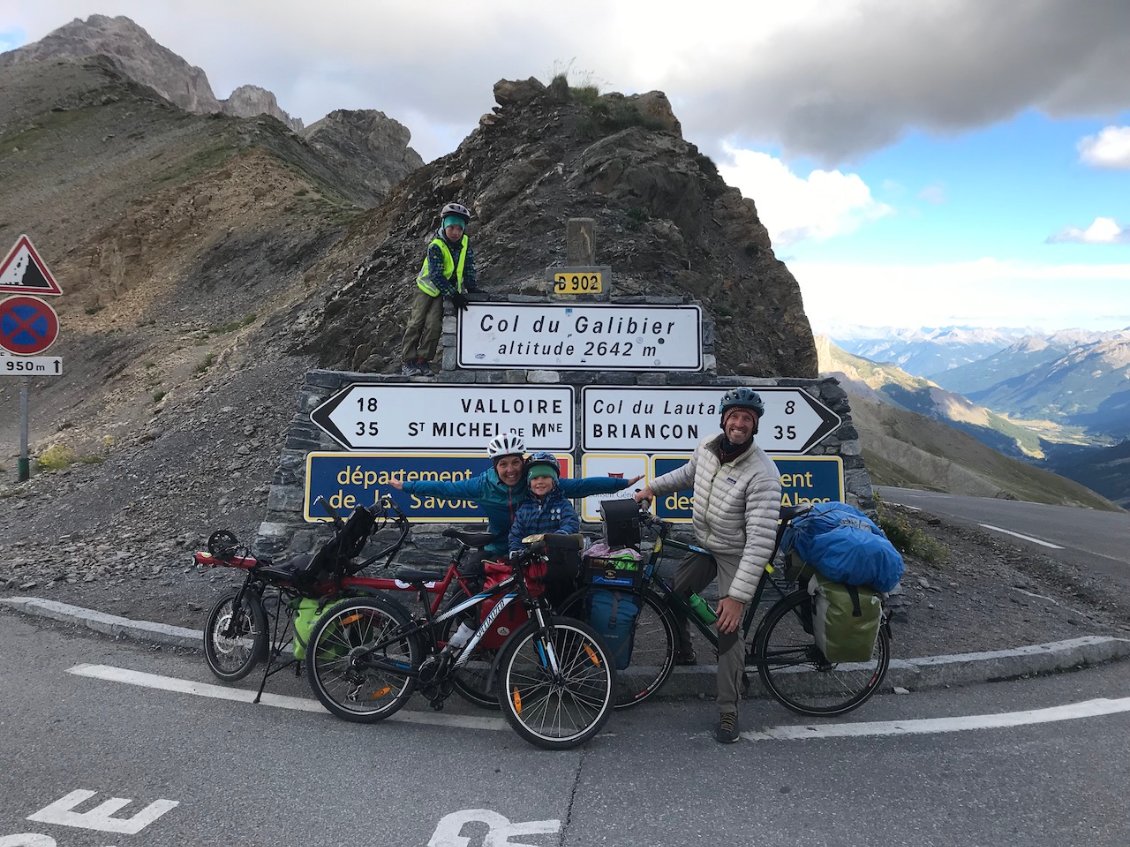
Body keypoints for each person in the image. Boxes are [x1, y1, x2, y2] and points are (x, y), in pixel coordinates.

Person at [633, 387, 781, 744]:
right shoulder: (709, 448)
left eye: (747, 419)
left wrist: (737, 598)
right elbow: (688, 474)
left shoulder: (763, 474)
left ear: (755, 425)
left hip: (738, 553)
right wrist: (651, 488)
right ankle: (684, 650)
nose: (739, 423)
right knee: (676, 593)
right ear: (723, 419)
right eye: (734, 416)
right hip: (707, 544)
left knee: (729, 628)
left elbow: (760, 542)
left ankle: (730, 709)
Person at [387, 432, 639, 583]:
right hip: (496, 546)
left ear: (523, 463)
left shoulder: (535, 483)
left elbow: (583, 485)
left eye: (515, 462)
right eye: (503, 464)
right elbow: (445, 489)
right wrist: (408, 486)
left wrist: (622, 483)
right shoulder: (481, 486)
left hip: (530, 550)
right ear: (495, 467)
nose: (510, 470)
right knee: (468, 585)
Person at [400, 202, 478, 377]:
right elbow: (435, 274)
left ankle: (423, 361)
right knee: (416, 323)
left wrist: (472, 288)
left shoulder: (465, 243)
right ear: (444, 225)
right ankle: (408, 361)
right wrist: (454, 294)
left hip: (445, 291)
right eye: (452, 227)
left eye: (460, 228)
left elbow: (468, 267)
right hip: (427, 288)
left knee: (433, 326)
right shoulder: (436, 245)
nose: (456, 232)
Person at [508, 452, 581, 553]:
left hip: (558, 557)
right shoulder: (524, 508)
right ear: (529, 483)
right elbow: (516, 534)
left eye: (545, 477)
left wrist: (552, 540)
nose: (540, 482)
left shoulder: (563, 504)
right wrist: (515, 551)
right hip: (530, 559)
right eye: (535, 478)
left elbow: (571, 525)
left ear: (554, 481)